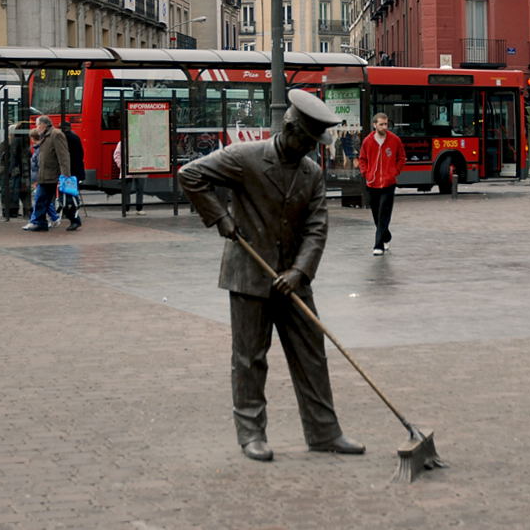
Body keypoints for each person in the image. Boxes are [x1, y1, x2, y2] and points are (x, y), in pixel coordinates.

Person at [178, 88, 364, 463]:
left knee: (312, 356)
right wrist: (220, 217)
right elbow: (190, 175)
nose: (312, 150)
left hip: (294, 280)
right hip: (249, 274)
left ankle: (324, 432)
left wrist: (299, 271)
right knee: (249, 358)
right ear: (290, 128)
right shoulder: (245, 157)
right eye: (308, 141)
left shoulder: (311, 173)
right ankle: (251, 434)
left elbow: (316, 227)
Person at [358, 112, 406, 256]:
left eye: (386, 124)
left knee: (384, 213)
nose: (384, 127)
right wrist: (366, 173)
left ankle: (378, 244)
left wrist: (394, 172)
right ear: (375, 125)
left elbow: (401, 157)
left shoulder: (394, 140)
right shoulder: (367, 141)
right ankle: (386, 236)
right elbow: (362, 159)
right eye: (381, 124)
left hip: (388, 183)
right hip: (372, 183)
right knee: (375, 215)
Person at [25, 115, 70, 232]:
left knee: (41, 198)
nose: (37, 127)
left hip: (51, 174)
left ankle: (39, 222)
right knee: (42, 198)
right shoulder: (45, 136)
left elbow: (63, 156)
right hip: (44, 174)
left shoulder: (56, 135)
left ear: (43, 125)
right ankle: (39, 221)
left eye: (37, 125)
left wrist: (65, 175)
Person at [0, 122, 32, 221]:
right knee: (13, 191)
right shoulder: (14, 144)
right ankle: (12, 210)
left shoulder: (8, 144)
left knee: (13, 191)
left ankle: (12, 210)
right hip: (12, 171)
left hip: (13, 171)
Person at [60, 121, 86, 231]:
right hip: (75, 172)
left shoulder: (64, 139)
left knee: (68, 197)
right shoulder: (75, 138)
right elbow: (81, 154)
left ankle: (74, 219)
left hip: (68, 172)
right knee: (71, 194)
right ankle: (73, 218)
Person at [113, 141, 145, 214]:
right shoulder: (122, 142)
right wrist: (121, 165)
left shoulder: (141, 142)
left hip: (140, 169)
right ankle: (127, 209)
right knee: (127, 190)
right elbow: (117, 154)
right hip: (127, 170)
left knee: (139, 189)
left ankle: (138, 208)